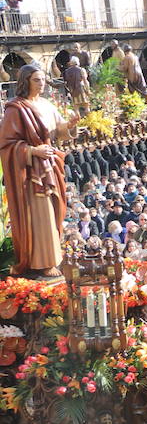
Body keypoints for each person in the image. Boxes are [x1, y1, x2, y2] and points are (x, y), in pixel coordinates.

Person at [0, 63, 72, 277]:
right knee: (42, 215)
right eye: (36, 80)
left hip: (49, 165)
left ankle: (54, 258)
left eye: (43, 79)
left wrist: (71, 125)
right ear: (25, 82)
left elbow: (59, 129)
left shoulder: (47, 104)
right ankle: (42, 262)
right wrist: (32, 151)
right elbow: (6, 144)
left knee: (55, 210)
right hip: (31, 173)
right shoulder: (16, 108)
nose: (42, 84)